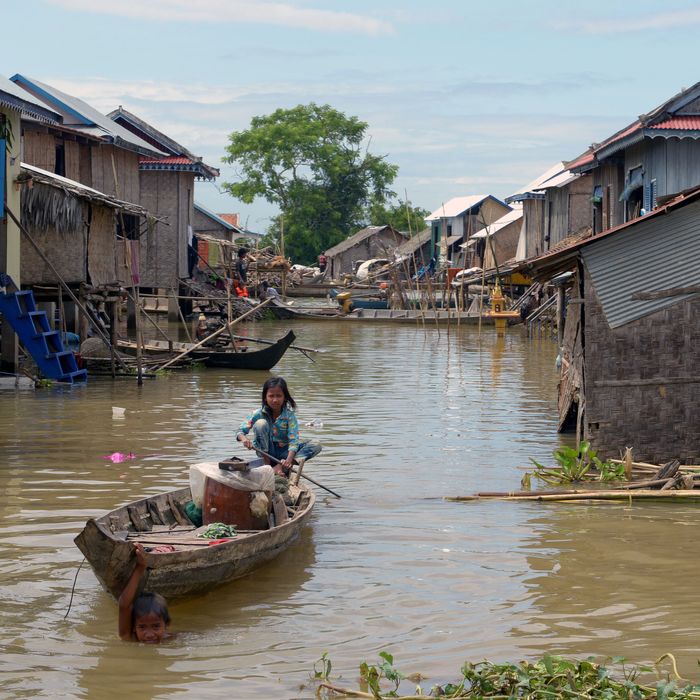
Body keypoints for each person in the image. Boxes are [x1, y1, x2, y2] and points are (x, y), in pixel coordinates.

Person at [236, 377, 321, 476]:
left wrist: (288, 461)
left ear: (284, 397)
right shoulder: (258, 413)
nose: (275, 400)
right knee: (260, 424)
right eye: (271, 396)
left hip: (284, 454)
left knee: (316, 444)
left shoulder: (290, 416)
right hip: (266, 453)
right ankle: (267, 467)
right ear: (265, 397)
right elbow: (240, 431)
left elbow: (294, 440)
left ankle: (280, 467)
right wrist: (244, 439)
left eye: (279, 396)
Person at [118, 543, 172, 643]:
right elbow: (124, 605)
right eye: (142, 627)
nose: (149, 635)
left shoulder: (169, 638)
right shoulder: (130, 638)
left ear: (166, 626)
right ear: (134, 627)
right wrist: (140, 568)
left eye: (156, 626)